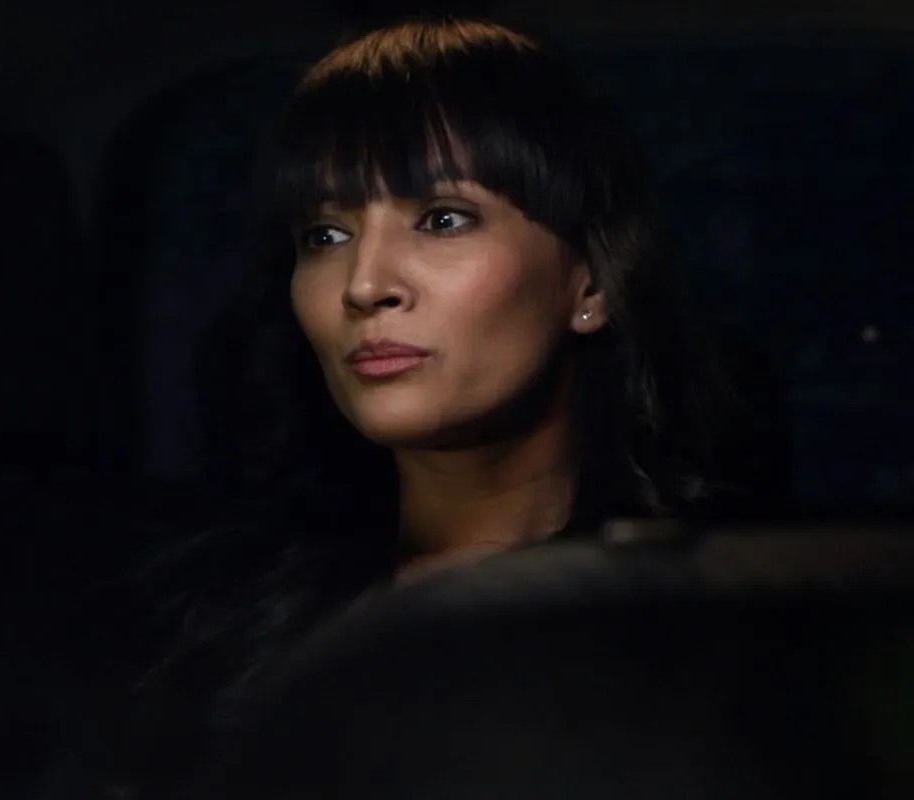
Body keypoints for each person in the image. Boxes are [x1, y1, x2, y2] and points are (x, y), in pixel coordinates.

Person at [75, 17, 734, 797]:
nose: (364, 284)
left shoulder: (713, 630)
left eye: (442, 219)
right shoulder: (209, 628)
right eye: (325, 235)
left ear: (591, 281)